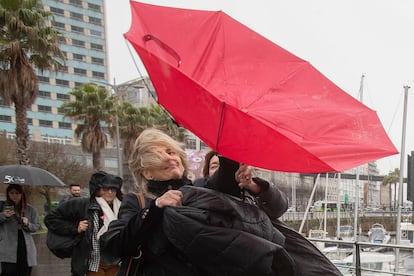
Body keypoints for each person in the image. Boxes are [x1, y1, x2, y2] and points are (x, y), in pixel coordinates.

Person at [99, 128, 298, 275]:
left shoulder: (199, 189)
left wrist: (231, 150)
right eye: (160, 155)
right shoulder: (138, 201)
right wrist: (156, 208)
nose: (171, 159)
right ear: (146, 173)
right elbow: (113, 245)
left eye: (172, 152)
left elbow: (225, 181)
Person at [44, 171, 123, 276]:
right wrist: (75, 228)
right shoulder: (82, 204)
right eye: (105, 189)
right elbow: (50, 219)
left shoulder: (122, 207)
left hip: (116, 262)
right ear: (97, 190)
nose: (110, 192)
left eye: (113, 189)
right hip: (93, 262)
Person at [0, 184, 41, 276]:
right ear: (8, 194)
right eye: (11, 193)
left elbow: (37, 226)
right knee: (8, 271)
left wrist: (27, 224)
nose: (14, 196)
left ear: (22, 194)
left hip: (25, 245)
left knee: (25, 271)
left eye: (17, 193)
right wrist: (3, 215)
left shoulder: (30, 209)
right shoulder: (2, 206)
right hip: (8, 245)